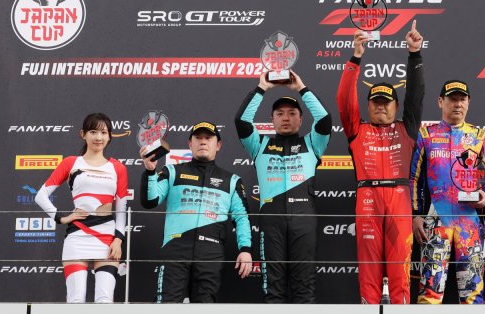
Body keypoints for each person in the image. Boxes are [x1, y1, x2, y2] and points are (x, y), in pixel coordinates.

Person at [336, 21, 425, 304]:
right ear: (368, 105)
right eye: (375, 101)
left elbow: (416, 95)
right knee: (369, 270)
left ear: (396, 106)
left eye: (387, 102)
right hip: (368, 199)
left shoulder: (407, 127)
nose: (381, 106)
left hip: (399, 199)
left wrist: (414, 54)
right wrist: (356, 57)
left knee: (400, 270)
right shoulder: (356, 129)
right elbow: (344, 98)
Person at [235, 70, 331, 303]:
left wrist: (301, 89)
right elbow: (242, 121)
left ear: (301, 119)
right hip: (271, 221)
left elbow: (325, 120)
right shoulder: (259, 144)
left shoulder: (312, 143)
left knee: (305, 288)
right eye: (280, 114)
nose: (286, 118)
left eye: (292, 113)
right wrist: (262, 88)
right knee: (273, 288)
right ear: (272, 119)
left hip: (304, 220)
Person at [140, 121, 253, 303]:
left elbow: (242, 218)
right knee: (166, 304)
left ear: (218, 145)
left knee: (204, 306)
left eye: (208, 138)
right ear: (190, 144)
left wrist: (245, 249)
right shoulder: (172, 171)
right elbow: (150, 201)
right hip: (175, 248)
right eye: (198, 138)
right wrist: (150, 172)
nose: (203, 142)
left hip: (211, 252)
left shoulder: (232, 180)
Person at [409, 80, 485, 304]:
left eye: (462, 99)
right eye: (452, 99)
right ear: (441, 102)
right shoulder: (426, 134)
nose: (458, 104)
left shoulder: (480, 136)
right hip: (435, 220)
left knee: (472, 291)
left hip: (470, 221)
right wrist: (416, 214)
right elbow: (414, 178)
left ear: (468, 103)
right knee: (430, 289)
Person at [34, 112, 128, 303]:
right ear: (83, 134)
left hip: (107, 238)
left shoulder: (118, 168)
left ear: (109, 136)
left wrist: (118, 240)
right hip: (77, 237)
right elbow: (40, 196)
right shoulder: (71, 163)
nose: (98, 137)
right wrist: (61, 217)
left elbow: (121, 209)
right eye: (93, 132)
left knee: (105, 300)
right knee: (76, 300)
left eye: (103, 132)